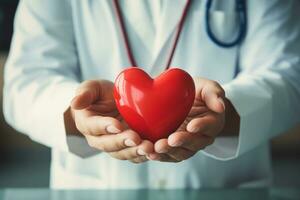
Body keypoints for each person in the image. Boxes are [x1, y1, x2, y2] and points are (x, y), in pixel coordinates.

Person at [3, 0, 300, 189]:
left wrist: (228, 112)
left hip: (221, 187)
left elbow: (289, 73)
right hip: (95, 187)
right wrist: (78, 116)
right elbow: (25, 83)